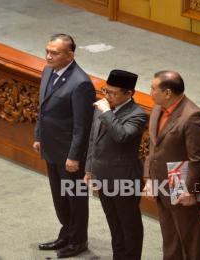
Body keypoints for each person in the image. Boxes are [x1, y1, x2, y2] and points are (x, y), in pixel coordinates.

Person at [33, 33, 95, 259]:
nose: (48, 56)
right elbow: (43, 108)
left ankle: (78, 241)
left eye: (54, 53)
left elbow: (82, 126)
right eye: (47, 51)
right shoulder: (48, 70)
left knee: (75, 198)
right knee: (59, 197)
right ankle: (66, 233)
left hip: (70, 154)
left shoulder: (81, 83)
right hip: (51, 147)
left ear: (70, 55)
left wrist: (75, 157)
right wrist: (39, 136)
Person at [144, 70, 200, 260]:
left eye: (153, 88)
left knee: (190, 239)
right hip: (161, 185)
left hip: (181, 188)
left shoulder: (192, 117)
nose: (150, 92)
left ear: (167, 93)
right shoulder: (157, 108)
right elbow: (152, 146)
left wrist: (190, 191)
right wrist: (149, 178)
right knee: (170, 236)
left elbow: (197, 160)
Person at [85, 70, 147, 260]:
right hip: (102, 176)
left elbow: (122, 136)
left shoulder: (137, 114)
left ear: (129, 93)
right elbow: (93, 140)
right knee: (113, 223)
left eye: (112, 93)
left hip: (125, 179)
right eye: (105, 90)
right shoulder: (104, 107)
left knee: (129, 225)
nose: (107, 96)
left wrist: (106, 112)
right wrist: (89, 169)